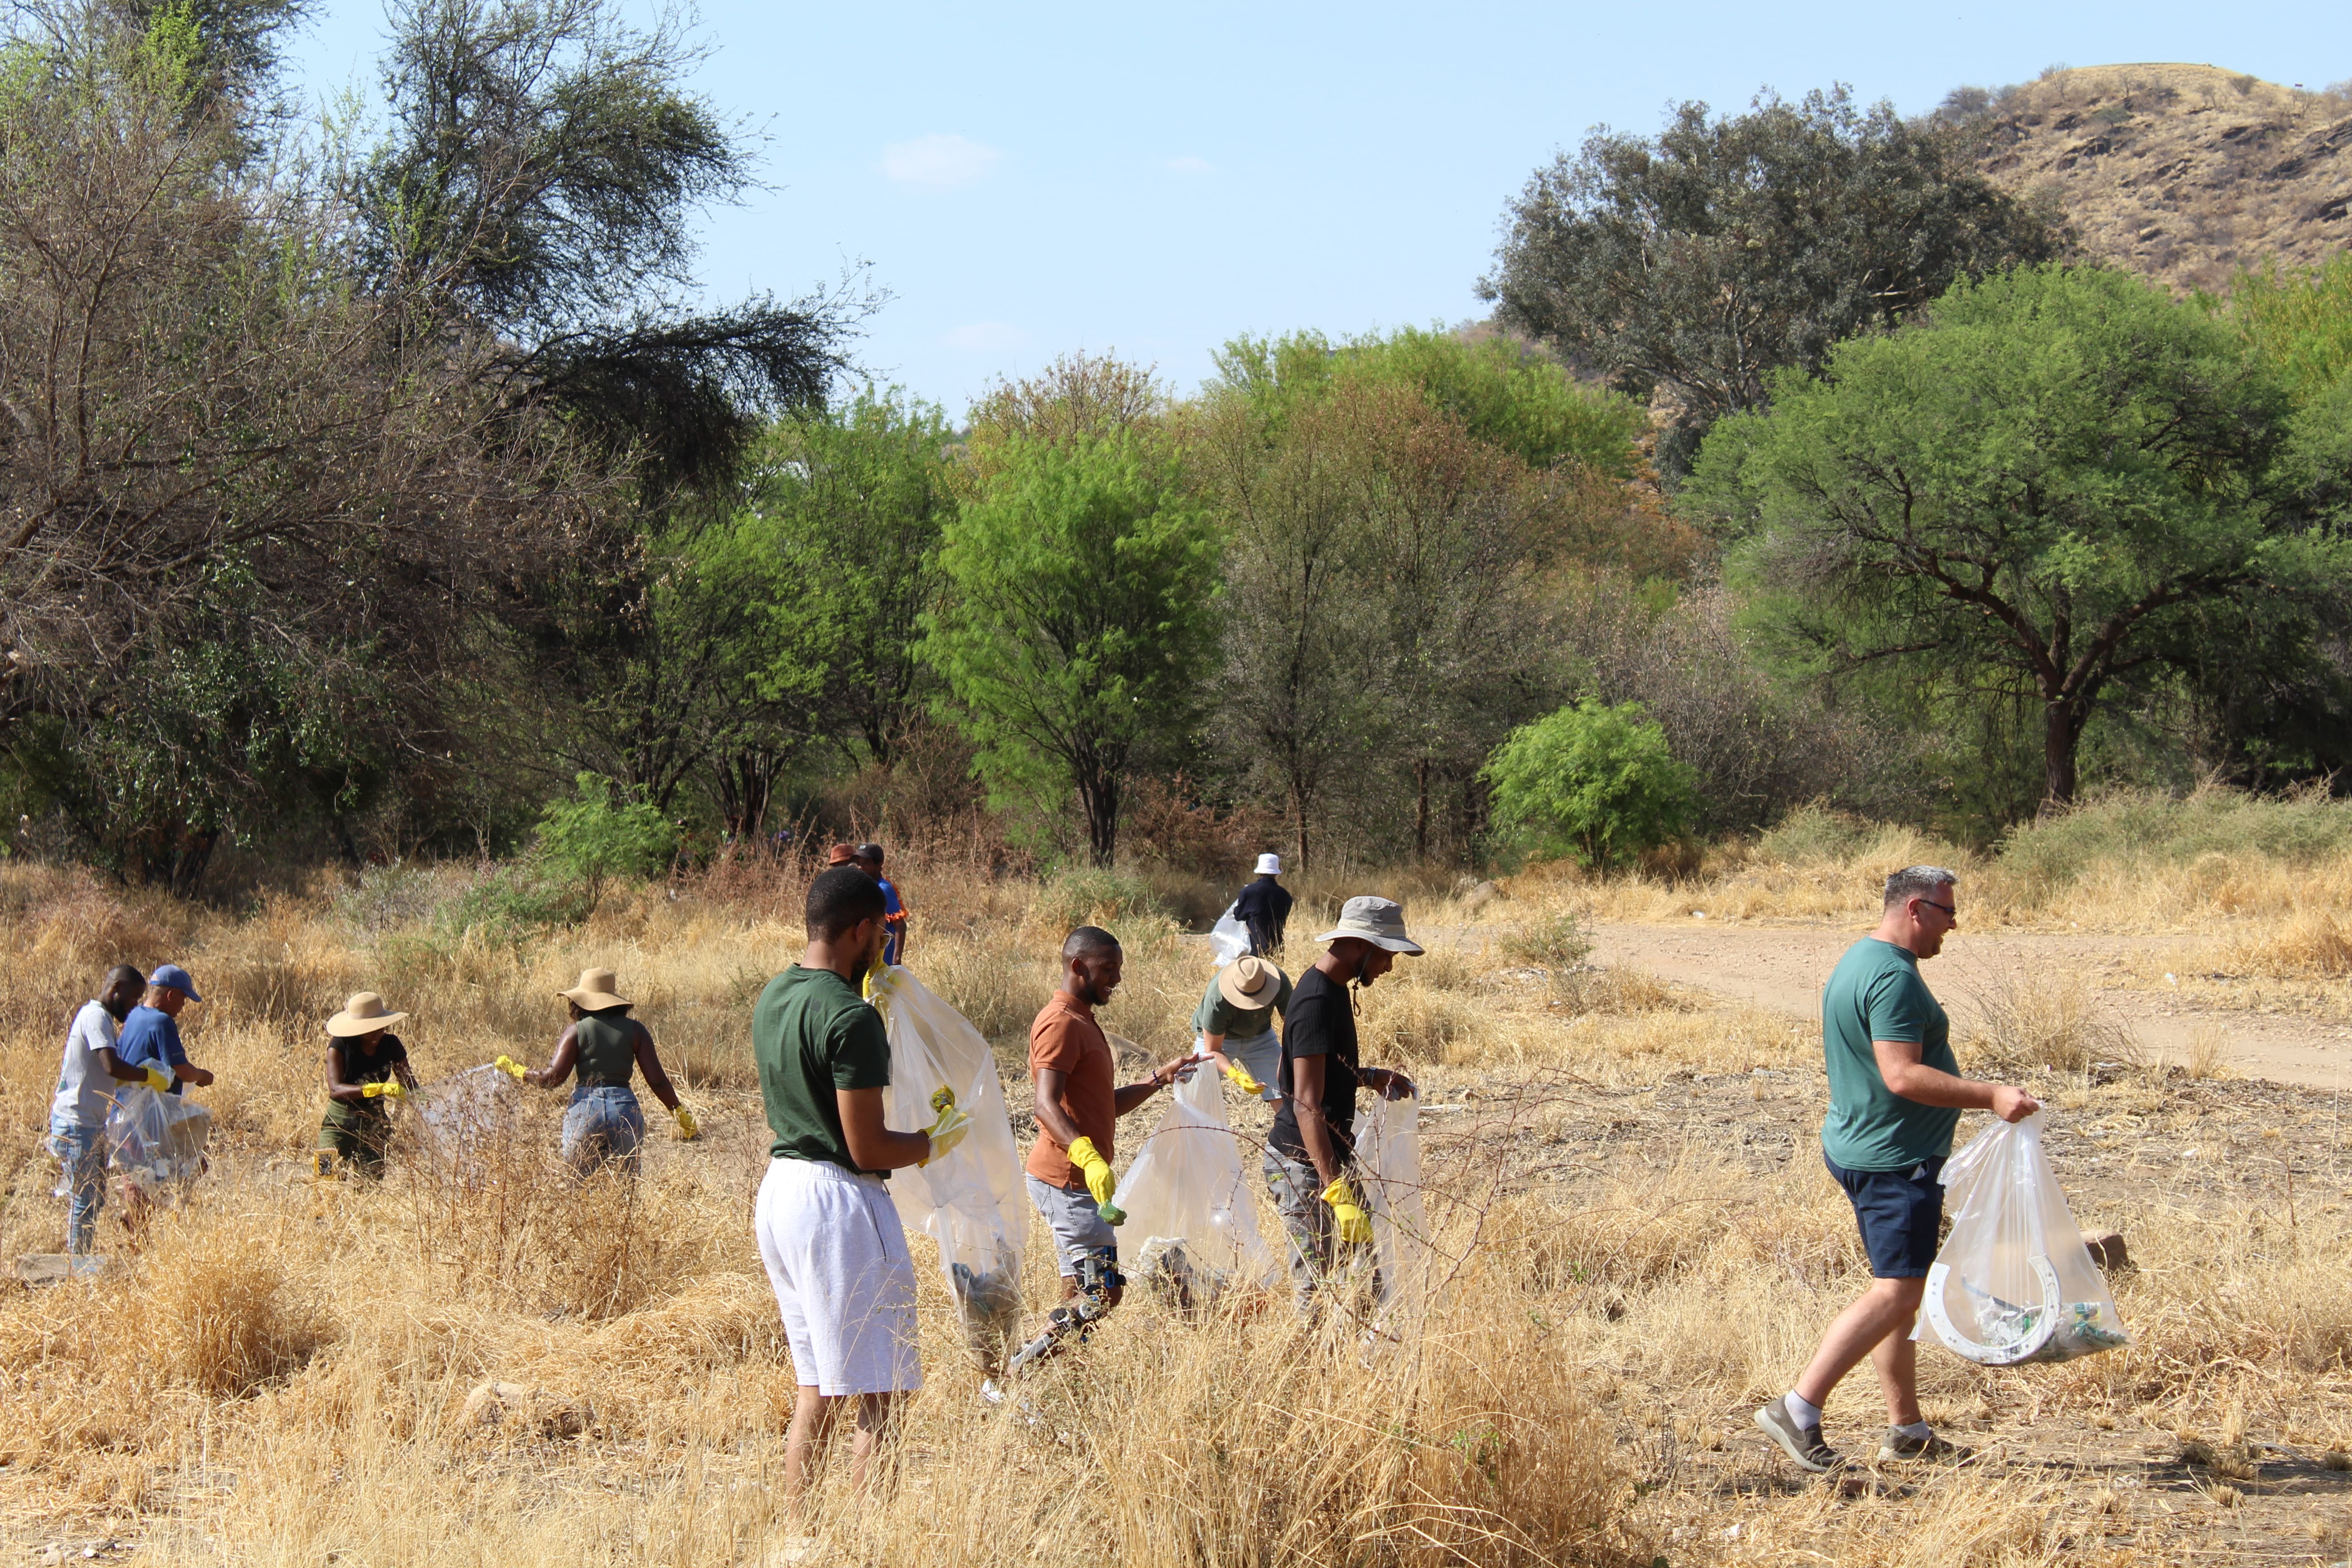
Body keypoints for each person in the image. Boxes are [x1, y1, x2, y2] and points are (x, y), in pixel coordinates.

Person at [1755, 866, 2041, 1474]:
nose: (1954, 923)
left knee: (1901, 1288)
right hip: (1893, 1164)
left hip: (1861, 1147)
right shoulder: (1893, 980)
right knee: (1898, 1292)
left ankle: (1906, 1428)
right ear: (1916, 909)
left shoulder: (1860, 958)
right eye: (1946, 911)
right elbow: (1902, 1075)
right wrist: (1990, 1095)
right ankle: (1798, 1407)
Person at [751, 866, 966, 1509]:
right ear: (859, 930)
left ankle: (802, 1534)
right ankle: (870, 1539)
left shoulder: (775, 994)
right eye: (880, 932)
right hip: (839, 1201)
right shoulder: (849, 1018)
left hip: (782, 1192)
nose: (884, 945)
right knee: (882, 1391)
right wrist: (935, 1141)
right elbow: (868, 1147)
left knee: (817, 1385)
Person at [1009, 926, 1199, 1372]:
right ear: (1078, 967)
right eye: (1108, 969)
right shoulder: (1060, 1023)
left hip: (1076, 1180)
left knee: (1078, 1290)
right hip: (1070, 1182)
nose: (1116, 979)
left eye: (1119, 969)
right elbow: (1045, 1104)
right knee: (1103, 1291)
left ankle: (1057, 1380)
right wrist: (1087, 1156)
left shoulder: (1083, 1021)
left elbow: (1102, 1106)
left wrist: (1158, 1080)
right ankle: (1016, 1374)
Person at [1264, 897, 1419, 1315]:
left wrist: (1366, 1076)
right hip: (1305, 1165)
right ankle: (1306, 1375)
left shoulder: (1330, 991)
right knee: (1317, 1292)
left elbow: (1310, 1066)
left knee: (1365, 1275)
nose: (1388, 966)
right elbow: (1305, 1105)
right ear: (1357, 944)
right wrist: (1337, 1190)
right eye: (1386, 954)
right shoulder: (1316, 1001)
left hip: (1329, 1157)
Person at [497, 969, 696, 1174]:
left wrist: (518, 1072)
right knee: (624, 1190)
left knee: (580, 1188)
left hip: (586, 1110)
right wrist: (678, 1112)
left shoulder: (576, 1031)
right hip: (624, 1111)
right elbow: (658, 1081)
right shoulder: (636, 1031)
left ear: (579, 1001)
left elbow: (552, 1078)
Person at [47, 965, 150, 1256]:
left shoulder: (98, 1018)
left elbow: (108, 1073)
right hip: (77, 1124)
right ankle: (77, 1267)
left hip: (85, 1123)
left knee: (91, 1197)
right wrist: (147, 1076)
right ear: (116, 988)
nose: (133, 1007)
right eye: (132, 998)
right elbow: (111, 1066)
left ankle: (78, 1260)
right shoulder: (96, 1017)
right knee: (87, 1199)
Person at [111, 965, 216, 1240]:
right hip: (147, 1116)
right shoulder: (162, 1022)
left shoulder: (134, 1016)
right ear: (171, 995)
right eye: (184, 998)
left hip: (125, 1111)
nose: (183, 1006)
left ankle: (134, 1225)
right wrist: (204, 1076)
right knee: (181, 1168)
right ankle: (137, 1234)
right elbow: (180, 1069)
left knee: (140, 1174)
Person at [316, 992, 421, 1180]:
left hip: (375, 1123)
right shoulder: (339, 1045)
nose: (378, 1034)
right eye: (372, 1030)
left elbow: (410, 1083)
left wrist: (422, 1099)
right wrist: (377, 1089)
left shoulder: (391, 1045)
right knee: (325, 1177)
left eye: (381, 1028)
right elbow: (335, 1090)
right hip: (339, 1123)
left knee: (371, 1182)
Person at [1191, 954, 1290, 1102]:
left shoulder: (1279, 981)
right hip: (1221, 1040)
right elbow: (1213, 1049)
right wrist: (1236, 1075)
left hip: (1261, 1038)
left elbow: (1293, 1024)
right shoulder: (1217, 998)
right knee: (1197, 1098)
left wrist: (1290, 1057)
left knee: (1284, 1094)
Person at [851, 843, 909, 965]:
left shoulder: (883, 890)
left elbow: (900, 925)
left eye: (866, 863)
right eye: (859, 863)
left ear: (879, 865)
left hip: (884, 963)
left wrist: (896, 960)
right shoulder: (866, 887)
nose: (861, 868)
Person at [1233, 852, 1293, 956]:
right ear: (1276, 873)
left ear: (1260, 871)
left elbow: (1238, 916)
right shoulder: (1286, 896)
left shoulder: (1248, 892)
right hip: (1278, 951)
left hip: (1255, 951)